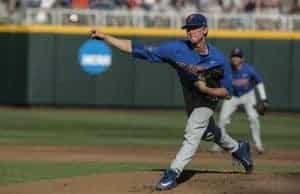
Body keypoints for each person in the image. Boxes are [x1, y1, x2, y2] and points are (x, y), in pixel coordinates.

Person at [89, 13, 253, 191]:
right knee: (207, 132)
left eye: (195, 28)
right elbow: (138, 49)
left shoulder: (219, 60)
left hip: (209, 96)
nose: (191, 32)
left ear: (205, 30)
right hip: (190, 92)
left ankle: (173, 173)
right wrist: (106, 37)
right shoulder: (176, 49)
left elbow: (228, 92)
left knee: (193, 129)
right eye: (188, 29)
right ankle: (238, 148)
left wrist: (206, 89)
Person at [211, 48, 268, 154]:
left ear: (242, 59)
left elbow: (259, 81)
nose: (235, 59)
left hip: (248, 95)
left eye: (238, 57)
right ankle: (219, 144)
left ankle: (258, 145)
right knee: (222, 119)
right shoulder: (226, 69)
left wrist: (264, 98)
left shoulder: (249, 69)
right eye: (233, 57)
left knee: (254, 118)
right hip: (232, 96)